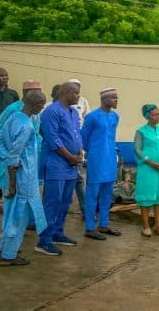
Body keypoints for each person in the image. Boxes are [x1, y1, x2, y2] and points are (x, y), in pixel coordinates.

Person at [0, 90, 47, 266]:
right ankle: (8, 256)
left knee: (10, 215)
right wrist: (12, 185)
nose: (42, 107)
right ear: (34, 104)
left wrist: (6, 159)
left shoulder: (14, 118)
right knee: (19, 217)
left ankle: (3, 249)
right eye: (41, 104)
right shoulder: (26, 126)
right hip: (22, 178)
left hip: (19, 176)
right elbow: (14, 158)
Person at [38, 81, 83, 256]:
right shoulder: (52, 111)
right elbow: (52, 138)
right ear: (65, 92)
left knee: (65, 202)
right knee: (52, 202)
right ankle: (44, 241)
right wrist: (70, 156)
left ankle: (57, 233)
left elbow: (76, 135)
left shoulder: (73, 112)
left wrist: (79, 154)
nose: (78, 97)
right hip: (57, 163)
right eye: (76, 93)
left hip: (71, 165)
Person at [0, 80, 44, 230]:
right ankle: (7, 246)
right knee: (12, 209)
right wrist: (9, 158)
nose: (37, 95)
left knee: (27, 202)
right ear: (25, 93)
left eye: (38, 91)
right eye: (33, 91)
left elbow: (36, 136)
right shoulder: (13, 111)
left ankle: (25, 228)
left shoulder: (35, 113)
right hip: (14, 166)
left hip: (30, 165)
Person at [81, 88, 121, 240]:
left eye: (117, 98)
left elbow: (111, 137)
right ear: (104, 99)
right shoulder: (92, 117)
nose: (116, 100)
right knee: (92, 194)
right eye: (113, 98)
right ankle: (89, 227)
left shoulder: (115, 116)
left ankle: (104, 224)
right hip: (96, 160)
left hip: (111, 158)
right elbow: (83, 138)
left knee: (107, 194)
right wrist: (94, 152)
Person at [134, 104, 159, 237]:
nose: (157, 117)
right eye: (154, 114)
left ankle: (158, 225)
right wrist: (151, 162)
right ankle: (145, 226)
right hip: (147, 169)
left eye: (158, 114)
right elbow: (137, 150)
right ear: (147, 116)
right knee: (146, 197)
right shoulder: (141, 131)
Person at [0, 67, 20, 210]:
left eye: (6, 75)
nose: (5, 77)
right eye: (1, 75)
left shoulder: (13, 94)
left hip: (9, 135)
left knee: (8, 165)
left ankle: (9, 193)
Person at [68, 78, 90, 220]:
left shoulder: (83, 101)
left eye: (79, 88)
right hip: (64, 145)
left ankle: (85, 211)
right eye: (74, 88)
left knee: (79, 178)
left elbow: (87, 118)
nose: (77, 91)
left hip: (78, 142)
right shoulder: (54, 107)